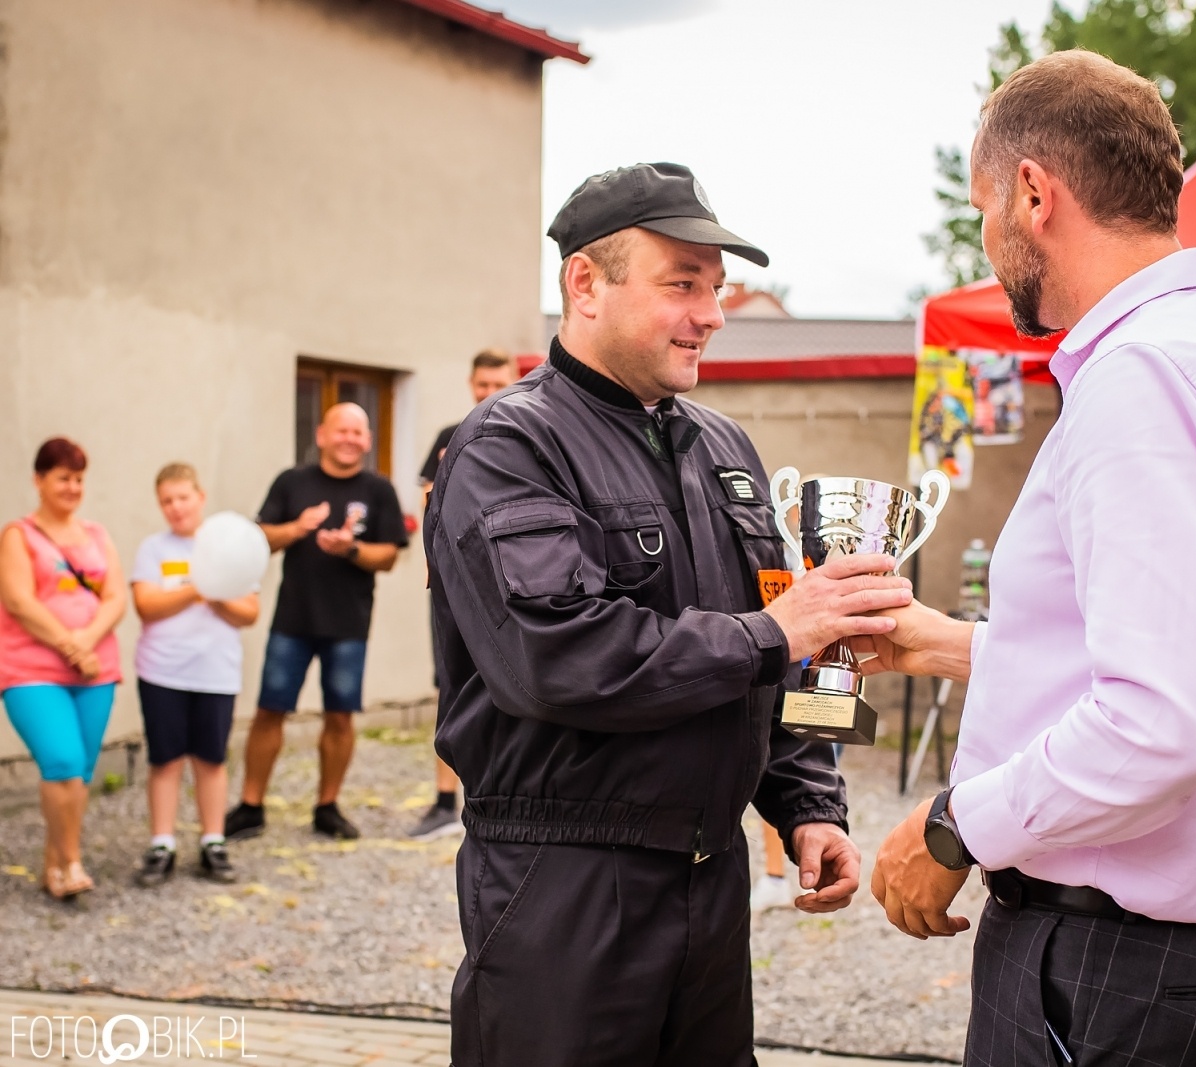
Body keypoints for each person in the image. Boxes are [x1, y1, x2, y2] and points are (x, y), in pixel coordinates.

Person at [857, 52, 1196, 1067]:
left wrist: (953, 826)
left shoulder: (1142, 380)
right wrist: (951, 645)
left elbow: (1164, 720)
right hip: (1162, 959)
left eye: (983, 207)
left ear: (1035, 193)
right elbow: (1188, 653)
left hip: (1102, 959)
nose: (987, 244)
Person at [427, 162, 910, 1067]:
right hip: (562, 882)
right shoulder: (508, 445)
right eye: (681, 284)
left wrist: (808, 804)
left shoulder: (724, 446)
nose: (712, 313)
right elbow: (556, 654)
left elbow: (785, 643)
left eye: (716, 287)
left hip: (708, 879)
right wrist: (779, 630)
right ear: (585, 284)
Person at [224, 403, 409, 842]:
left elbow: (389, 556)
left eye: (358, 432)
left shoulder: (379, 490)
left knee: (340, 718)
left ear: (367, 440)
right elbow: (259, 540)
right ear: (322, 435)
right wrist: (297, 529)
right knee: (270, 712)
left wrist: (349, 549)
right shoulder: (293, 482)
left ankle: (327, 806)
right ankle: (251, 805)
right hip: (292, 620)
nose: (349, 438)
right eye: (340, 430)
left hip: (348, 625)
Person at [0, 437, 127, 901]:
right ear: (39, 480)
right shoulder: (18, 534)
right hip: (32, 670)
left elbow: (116, 597)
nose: (72, 487)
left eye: (78, 479)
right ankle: (72, 861)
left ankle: (54, 865)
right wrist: (72, 645)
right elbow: (18, 600)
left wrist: (87, 644)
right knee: (61, 761)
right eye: (62, 478)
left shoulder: (96, 534)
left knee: (81, 772)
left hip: (95, 671)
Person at [130, 464, 260, 886]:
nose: (175, 507)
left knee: (211, 758)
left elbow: (249, 611)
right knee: (165, 760)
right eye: (166, 501)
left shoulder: (226, 545)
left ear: (200, 497)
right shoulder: (153, 549)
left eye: (182, 497)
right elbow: (147, 605)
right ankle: (162, 843)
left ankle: (212, 841)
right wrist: (200, 588)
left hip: (215, 674)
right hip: (162, 671)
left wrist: (215, 594)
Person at [408, 348, 516, 842]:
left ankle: (498, 794)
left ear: (514, 379)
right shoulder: (451, 437)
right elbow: (431, 509)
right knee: (452, 689)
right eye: (480, 384)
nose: (488, 391)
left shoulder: (530, 432)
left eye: (498, 382)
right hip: (456, 587)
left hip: (510, 588)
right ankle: (444, 802)